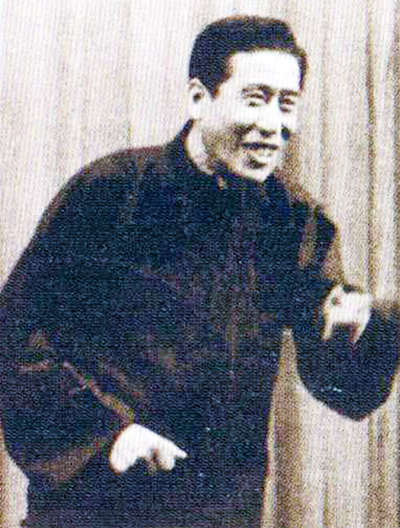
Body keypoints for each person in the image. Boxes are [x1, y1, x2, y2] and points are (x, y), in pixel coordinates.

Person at [0, 16, 398, 528]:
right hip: (94, 504)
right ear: (198, 98)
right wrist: (107, 436)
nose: (273, 124)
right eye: (255, 99)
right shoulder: (110, 193)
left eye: (287, 103)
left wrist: (361, 329)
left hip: (221, 510)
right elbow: (13, 336)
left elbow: (340, 385)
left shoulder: (293, 220)